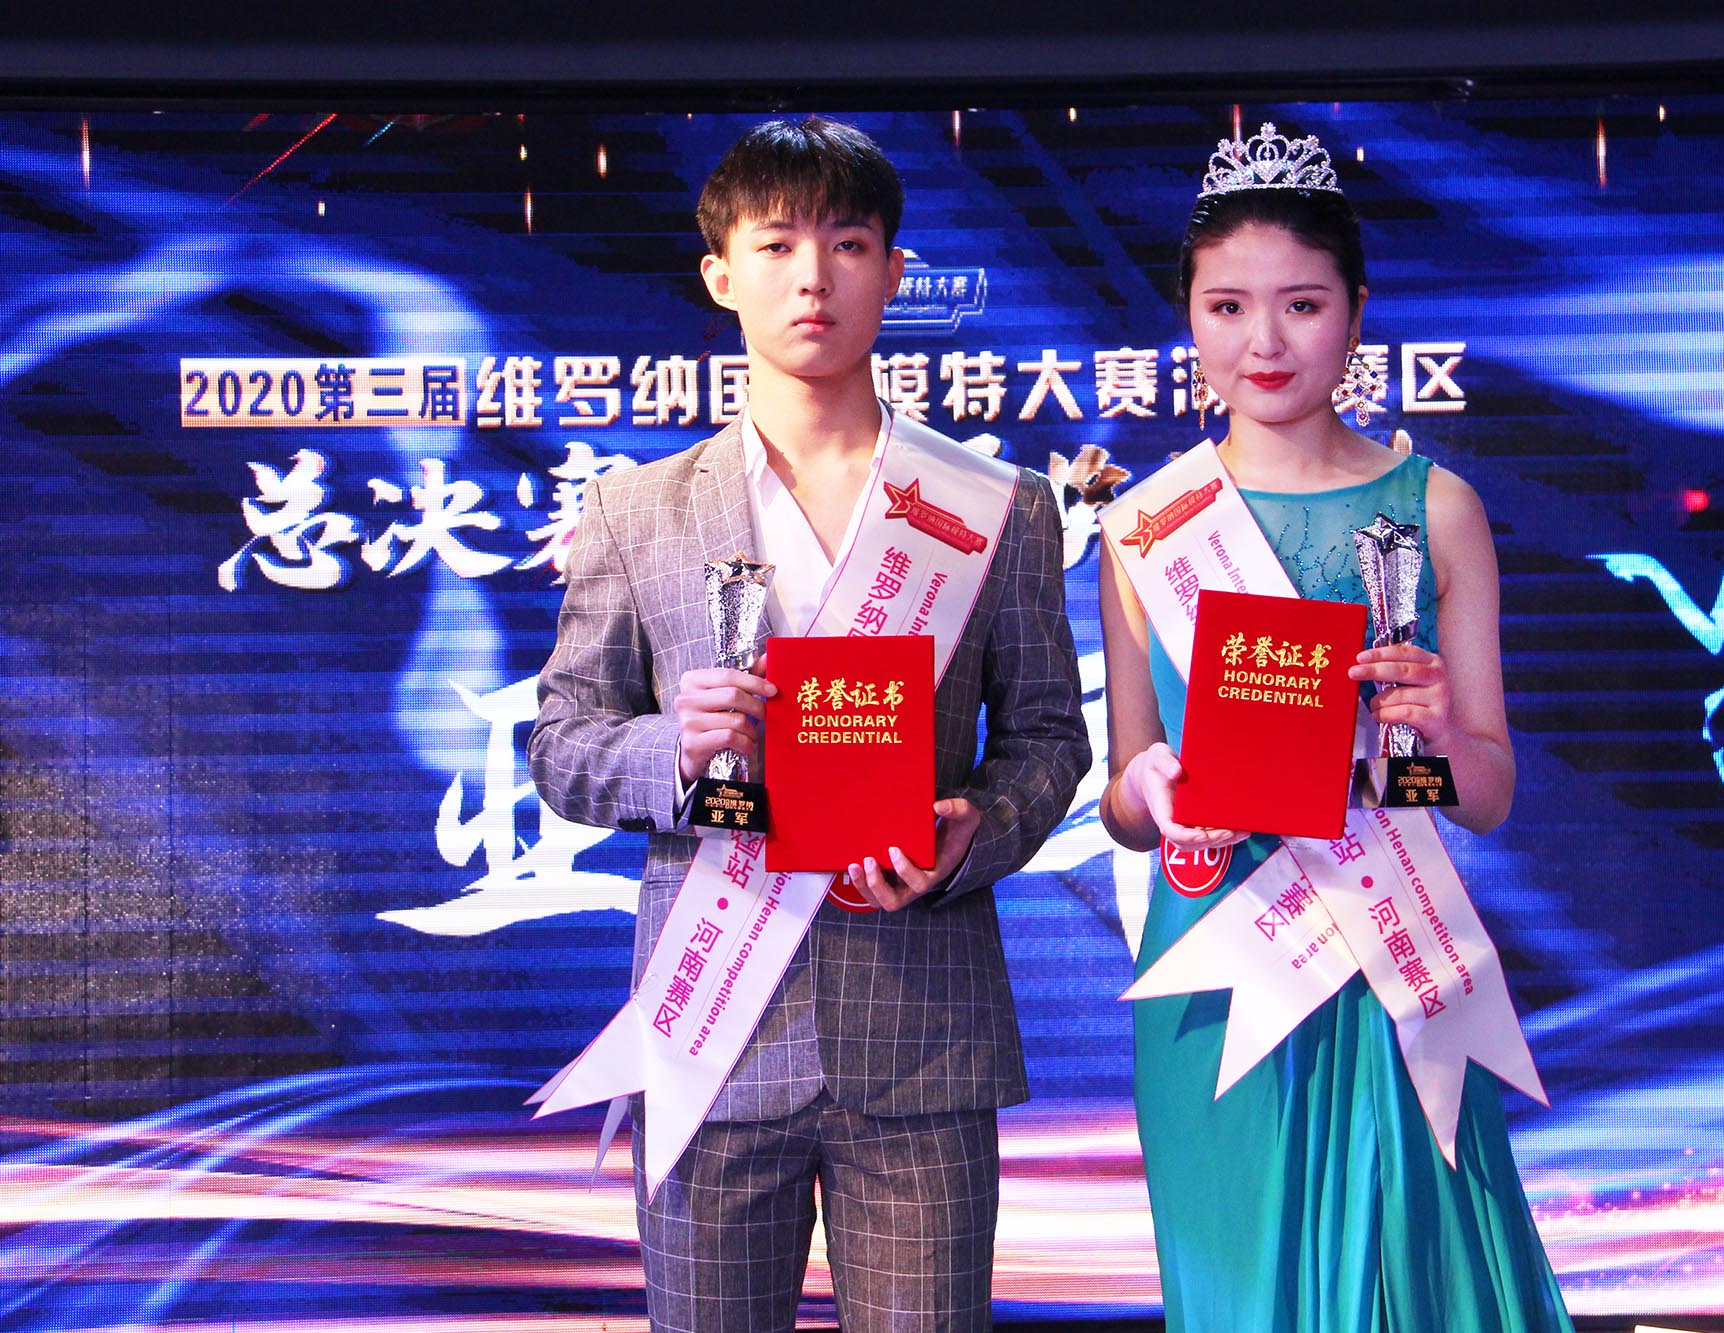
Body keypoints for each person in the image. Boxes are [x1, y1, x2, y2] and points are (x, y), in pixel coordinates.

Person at [530, 117, 1090, 1333]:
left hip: (922, 1035)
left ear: (893, 273)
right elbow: (563, 743)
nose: (811, 277)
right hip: (710, 1030)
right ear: (719, 274)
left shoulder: (995, 504)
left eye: (846, 243)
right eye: (775, 244)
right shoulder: (636, 510)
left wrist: (978, 828)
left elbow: (1051, 735)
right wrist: (672, 749)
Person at [1097, 125, 1572, 1331]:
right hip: (1218, 962)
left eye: (1300, 305)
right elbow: (1121, 801)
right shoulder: (1145, 525)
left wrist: (1430, 736)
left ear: (1355, 314)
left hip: (1387, 960)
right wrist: (1149, 792)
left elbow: (1488, 790)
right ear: (1188, 318)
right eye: (1227, 306)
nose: (1262, 342)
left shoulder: (1436, 508)